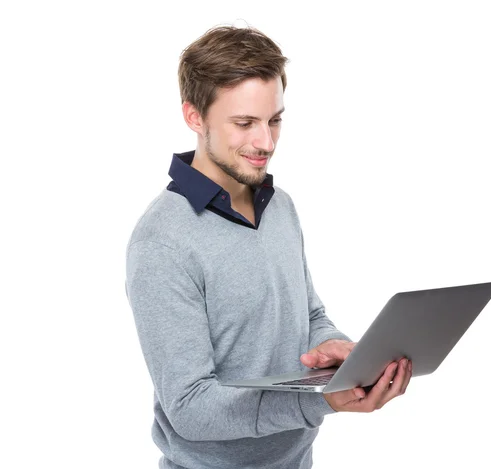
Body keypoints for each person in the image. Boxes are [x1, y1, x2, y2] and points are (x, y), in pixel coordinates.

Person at [125, 25, 412, 469]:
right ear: (194, 116)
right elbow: (191, 409)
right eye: (244, 124)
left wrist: (342, 352)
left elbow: (308, 316)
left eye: (274, 119)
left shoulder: (280, 207)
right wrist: (323, 403)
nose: (266, 142)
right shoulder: (162, 241)